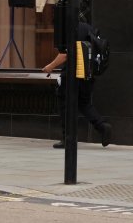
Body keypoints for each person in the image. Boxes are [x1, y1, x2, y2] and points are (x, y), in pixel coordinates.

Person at [42, 19, 111, 148]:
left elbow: (64, 54)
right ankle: (102, 126)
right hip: (87, 74)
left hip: (71, 74)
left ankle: (67, 139)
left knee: (65, 105)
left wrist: (50, 67)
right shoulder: (88, 28)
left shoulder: (69, 29)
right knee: (84, 103)